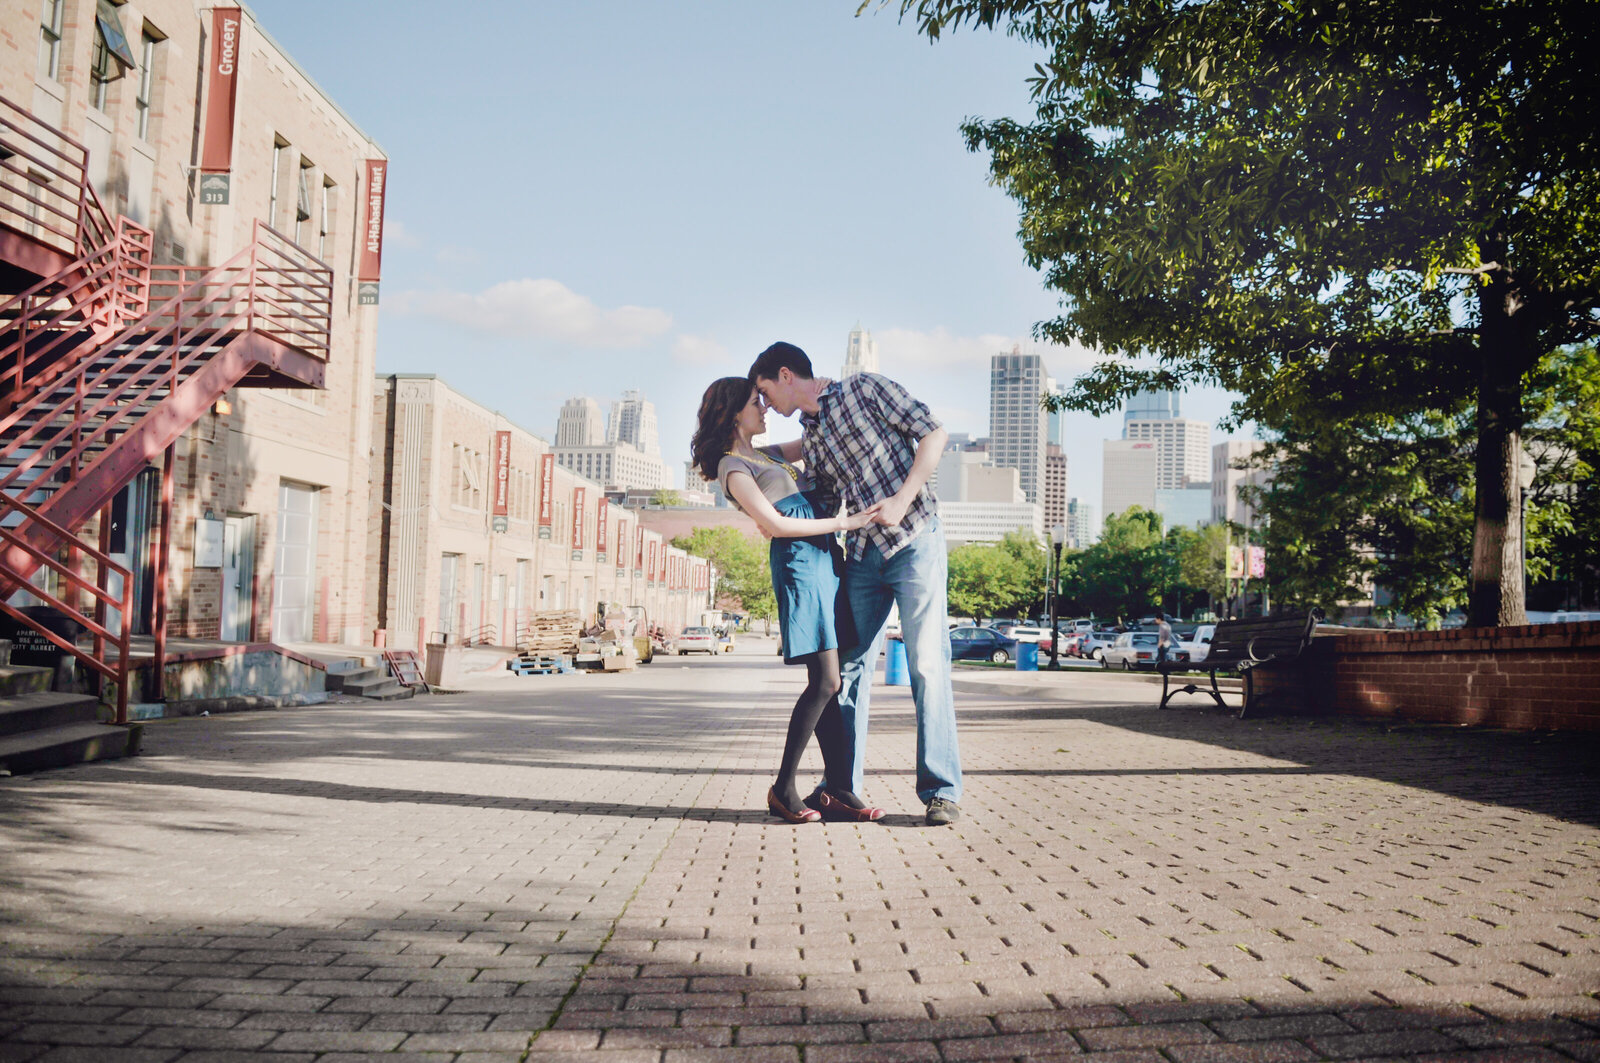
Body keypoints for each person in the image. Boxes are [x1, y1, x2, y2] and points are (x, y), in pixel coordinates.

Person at [749, 342, 963, 827]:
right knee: (846, 669)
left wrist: (902, 498)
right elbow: (813, 490)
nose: (766, 405)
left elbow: (934, 434)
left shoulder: (865, 387)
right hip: (864, 556)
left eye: (764, 391)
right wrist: (742, 458)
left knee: (926, 663)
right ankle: (840, 787)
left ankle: (941, 791)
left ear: (785, 374)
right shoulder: (813, 435)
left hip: (914, 540)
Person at [690, 377, 885, 824]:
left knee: (831, 684)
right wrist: (846, 521)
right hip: (800, 563)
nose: (765, 409)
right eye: (755, 403)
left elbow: (814, 436)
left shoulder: (765, 455)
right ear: (734, 411)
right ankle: (784, 788)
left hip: (823, 559)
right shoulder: (731, 466)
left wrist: (825, 396)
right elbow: (775, 524)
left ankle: (838, 790)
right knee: (826, 682)